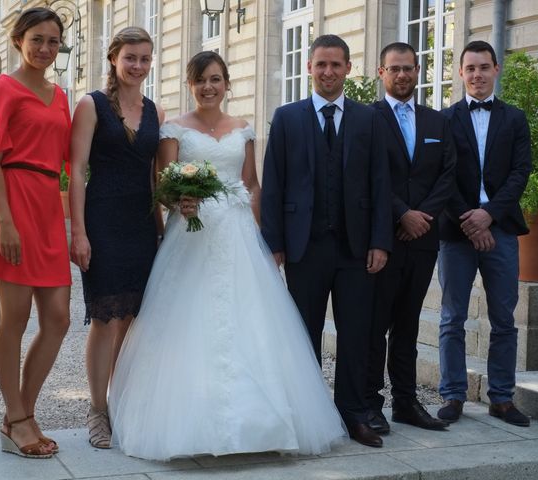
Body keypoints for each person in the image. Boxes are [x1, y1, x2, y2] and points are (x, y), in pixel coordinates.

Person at [108, 51, 347, 461]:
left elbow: (251, 184)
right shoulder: (174, 129)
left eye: (216, 79)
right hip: (191, 234)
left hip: (237, 234)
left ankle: (262, 426)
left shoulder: (243, 128)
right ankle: (184, 425)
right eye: (201, 80)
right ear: (190, 84)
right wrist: (178, 200)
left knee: (251, 321)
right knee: (189, 320)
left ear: (227, 83)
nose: (209, 87)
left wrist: (259, 236)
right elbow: (162, 183)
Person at [261, 34, 393, 448]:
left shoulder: (368, 118)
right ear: (309, 68)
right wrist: (274, 244)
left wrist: (380, 241)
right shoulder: (286, 117)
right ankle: (308, 414)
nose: (328, 72)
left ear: (349, 69)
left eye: (336, 65)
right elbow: (274, 184)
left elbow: (380, 182)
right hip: (304, 246)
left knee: (356, 333)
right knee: (304, 335)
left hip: (356, 247)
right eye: (321, 64)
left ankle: (354, 415)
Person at [0, 7, 71, 458]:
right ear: (18, 40)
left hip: (48, 206)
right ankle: (19, 418)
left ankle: (19, 415)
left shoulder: (62, 96)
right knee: (14, 318)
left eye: (53, 41)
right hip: (11, 203)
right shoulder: (2, 89)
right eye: (37, 40)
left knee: (58, 319)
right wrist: (5, 221)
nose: (45, 49)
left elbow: (68, 163)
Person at [68, 27, 165, 449]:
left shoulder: (153, 110)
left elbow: (153, 173)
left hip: (142, 223)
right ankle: (97, 410)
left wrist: (162, 230)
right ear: (113, 58)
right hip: (102, 221)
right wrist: (79, 232)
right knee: (106, 319)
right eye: (131, 58)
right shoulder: (91, 105)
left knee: (131, 319)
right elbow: (76, 170)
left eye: (145, 59)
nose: (138, 66)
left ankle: (121, 402)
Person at [437, 40, 532, 426]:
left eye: (484, 67)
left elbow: (519, 173)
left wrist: (489, 215)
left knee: (504, 320)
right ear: (461, 73)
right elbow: (442, 175)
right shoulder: (443, 120)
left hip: (501, 231)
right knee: (451, 318)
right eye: (470, 68)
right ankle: (453, 396)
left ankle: (502, 399)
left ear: (496, 70)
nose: (477, 75)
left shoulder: (515, 119)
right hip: (456, 232)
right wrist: (469, 219)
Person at [366, 42, 455, 434]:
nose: (402, 75)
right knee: (374, 325)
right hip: (383, 238)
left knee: (408, 324)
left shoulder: (437, 122)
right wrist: (402, 212)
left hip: (423, 239)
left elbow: (448, 173)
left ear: (418, 71)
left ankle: (405, 402)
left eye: (409, 68)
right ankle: (371, 403)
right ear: (380, 72)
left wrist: (423, 216)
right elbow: (368, 177)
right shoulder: (366, 119)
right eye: (394, 69)